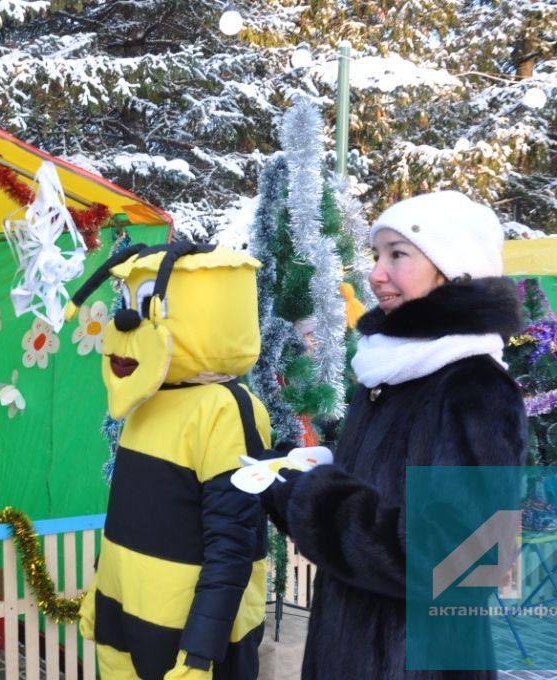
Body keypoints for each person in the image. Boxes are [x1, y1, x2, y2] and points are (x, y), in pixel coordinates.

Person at [258, 191, 527, 678]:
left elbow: (460, 561)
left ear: (454, 268)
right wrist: (292, 478)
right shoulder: (388, 375)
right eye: (377, 254)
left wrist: (312, 498)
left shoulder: (475, 387)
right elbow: (379, 496)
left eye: (397, 255)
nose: (376, 273)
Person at [68, 242, 281, 679]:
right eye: (129, 305)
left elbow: (232, 543)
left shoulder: (223, 409)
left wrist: (201, 650)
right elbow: (127, 518)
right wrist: (100, 595)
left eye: (147, 306)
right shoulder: (145, 400)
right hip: (124, 622)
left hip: (185, 642)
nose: (128, 321)